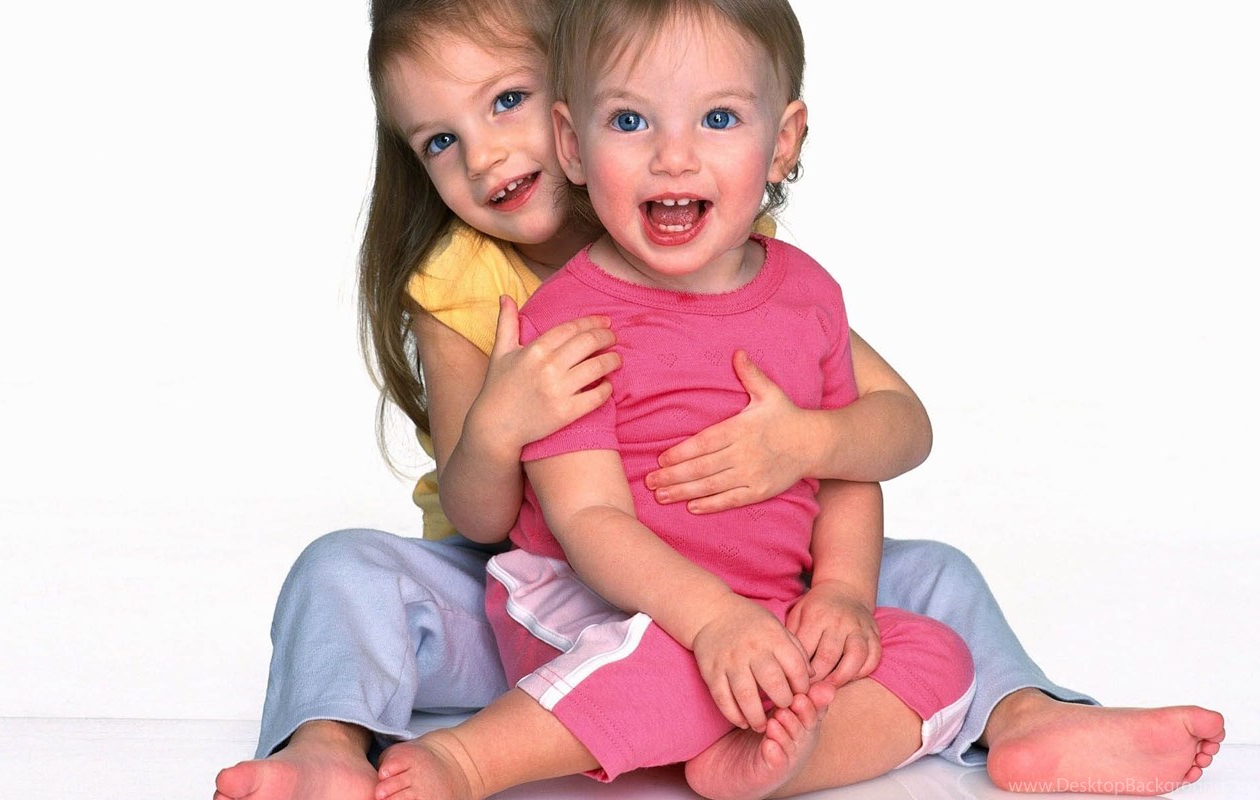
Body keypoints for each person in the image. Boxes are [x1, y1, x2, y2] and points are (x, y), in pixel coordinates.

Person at [213, 1, 1225, 799]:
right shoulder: (469, 284)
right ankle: (326, 743)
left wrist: (807, 448)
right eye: (438, 140)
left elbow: (895, 426)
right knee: (342, 568)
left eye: (505, 100)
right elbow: (485, 516)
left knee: (932, 577)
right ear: (585, 131)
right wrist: (502, 423)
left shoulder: (745, 261)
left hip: (748, 581)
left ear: (570, 94)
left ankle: (1022, 717)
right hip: (525, 586)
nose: (482, 155)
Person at [372, 1, 979, 797]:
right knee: (663, 657)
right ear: (574, 144)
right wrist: (713, 619)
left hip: (766, 610)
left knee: (936, 656)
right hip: (608, 606)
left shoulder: (806, 297)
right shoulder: (566, 322)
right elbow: (590, 520)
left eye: (718, 118)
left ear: (783, 143)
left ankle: (773, 760)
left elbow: (851, 471)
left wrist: (840, 595)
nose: (673, 157)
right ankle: (469, 760)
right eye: (630, 122)